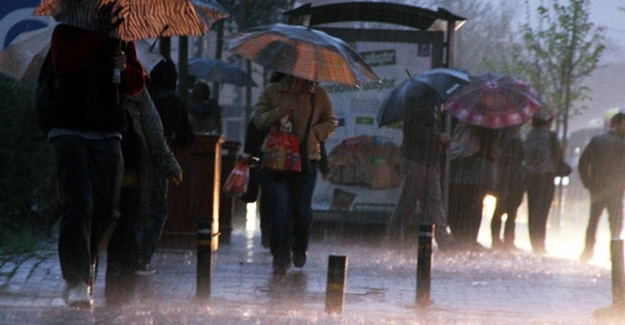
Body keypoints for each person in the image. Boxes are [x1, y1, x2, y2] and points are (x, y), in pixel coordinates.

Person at [46, 23, 145, 307]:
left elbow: (135, 84)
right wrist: (99, 37)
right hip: (69, 129)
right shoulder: (66, 31)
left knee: (107, 209)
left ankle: (84, 262)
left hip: (108, 130)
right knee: (78, 205)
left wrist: (123, 66)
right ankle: (76, 279)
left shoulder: (123, 35)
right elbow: (65, 65)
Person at [252, 74, 337, 275]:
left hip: (307, 160)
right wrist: (278, 113)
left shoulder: (319, 94)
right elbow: (258, 120)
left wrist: (315, 132)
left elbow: (331, 121)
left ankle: (299, 246)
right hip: (276, 161)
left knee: (302, 211)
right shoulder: (272, 91)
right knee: (280, 210)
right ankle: (280, 257)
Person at [385, 103, 456, 250]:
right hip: (415, 161)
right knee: (407, 203)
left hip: (428, 163)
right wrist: (438, 137)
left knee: (433, 204)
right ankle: (393, 239)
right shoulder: (416, 108)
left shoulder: (432, 109)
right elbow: (415, 133)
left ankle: (445, 242)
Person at [578, 112, 625, 262]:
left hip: (598, 188)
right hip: (616, 190)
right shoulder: (622, 143)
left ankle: (588, 251)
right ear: (617, 125)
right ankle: (615, 254)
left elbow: (583, 163)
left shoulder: (597, 140)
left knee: (593, 221)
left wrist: (589, 183)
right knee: (616, 222)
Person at [447, 120, 500, 250]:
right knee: (474, 206)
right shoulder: (487, 122)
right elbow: (492, 144)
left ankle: (461, 238)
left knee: (459, 205)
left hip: (460, 167)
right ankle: (468, 240)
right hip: (477, 169)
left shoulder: (459, 118)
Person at [523, 113, 559, 254]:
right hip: (546, 176)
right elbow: (557, 156)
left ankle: (534, 242)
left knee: (533, 210)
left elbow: (525, 155)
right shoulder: (551, 136)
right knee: (543, 211)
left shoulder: (529, 135)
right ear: (547, 121)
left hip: (531, 177)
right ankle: (540, 243)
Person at [490, 125, 525, 250]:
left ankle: (496, 239)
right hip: (512, 179)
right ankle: (508, 240)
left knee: (500, 209)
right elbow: (522, 156)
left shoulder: (501, 139)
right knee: (510, 211)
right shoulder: (514, 140)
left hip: (503, 178)